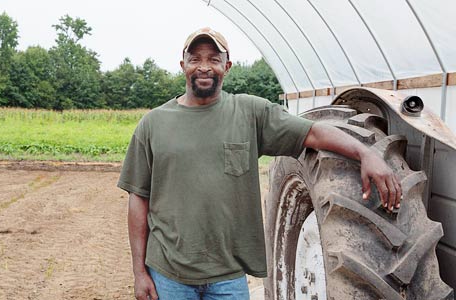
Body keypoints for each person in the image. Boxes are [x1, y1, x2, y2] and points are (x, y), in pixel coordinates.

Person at [117, 27, 401, 300]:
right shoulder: (153, 124)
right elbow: (138, 199)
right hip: (169, 275)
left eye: (214, 59)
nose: (204, 67)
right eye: (195, 59)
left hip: (228, 277)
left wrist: (365, 153)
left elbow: (312, 132)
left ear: (227, 66)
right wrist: (139, 272)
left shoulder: (250, 112)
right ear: (183, 65)